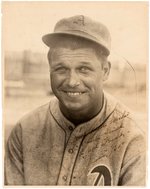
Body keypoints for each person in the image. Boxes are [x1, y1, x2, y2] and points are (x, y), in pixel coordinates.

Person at [5, 15, 146, 186]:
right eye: (61, 68)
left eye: (84, 69)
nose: (72, 81)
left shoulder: (132, 137)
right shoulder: (24, 130)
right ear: (50, 69)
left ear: (106, 71)